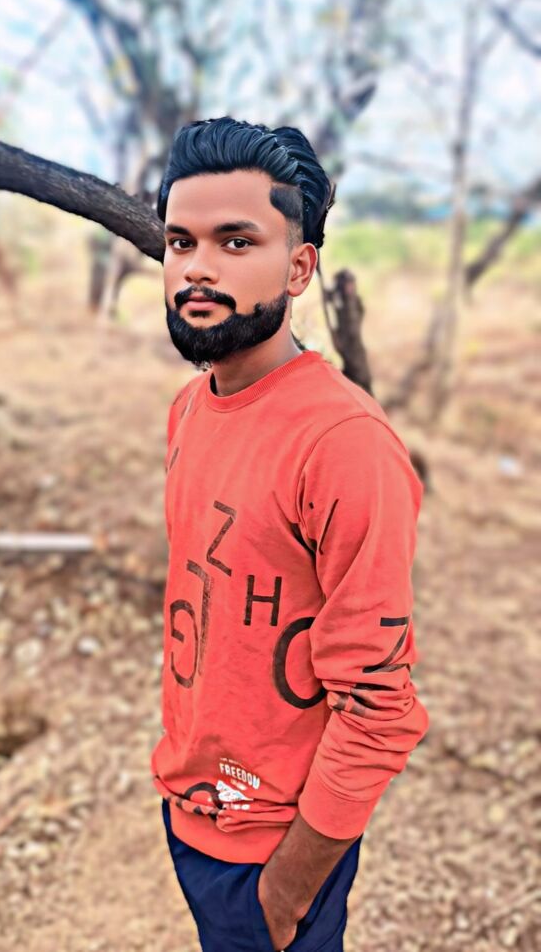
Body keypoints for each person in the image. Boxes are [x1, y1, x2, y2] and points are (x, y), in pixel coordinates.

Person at [150, 116, 429, 951]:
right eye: (180, 242)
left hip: (275, 847)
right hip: (192, 810)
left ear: (299, 268)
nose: (197, 268)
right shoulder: (190, 409)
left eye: (237, 242)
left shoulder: (343, 444)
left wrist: (287, 889)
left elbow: (379, 705)